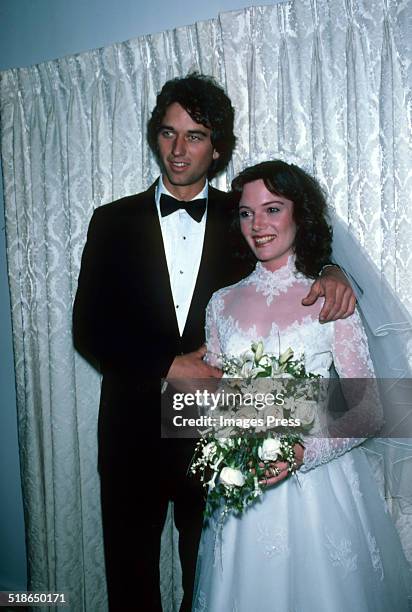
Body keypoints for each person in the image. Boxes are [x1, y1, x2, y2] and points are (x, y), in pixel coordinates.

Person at [72, 75, 355, 612]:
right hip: (130, 429)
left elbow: (302, 253)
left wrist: (335, 271)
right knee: (129, 578)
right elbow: (88, 327)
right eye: (168, 133)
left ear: (218, 148)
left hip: (218, 433)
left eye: (195, 135)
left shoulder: (245, 216)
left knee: (211, 580)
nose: (178, 150)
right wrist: (165, 366)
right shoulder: (111, 221)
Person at [193, 160, 411, 611]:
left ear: (300, 215)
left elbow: (367, 407)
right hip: (242, 493)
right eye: (248, 213)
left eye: (273, 209)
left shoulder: (330, 296)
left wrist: (301, 449)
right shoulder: (221, 303)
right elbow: (215, 399)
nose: (259, 225)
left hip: (320, 494)